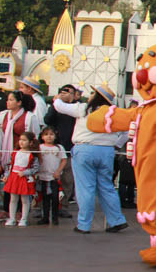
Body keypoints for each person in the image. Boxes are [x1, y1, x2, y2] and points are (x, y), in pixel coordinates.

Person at [53, 85, 129, 234]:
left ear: (97, 96)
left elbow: (59, 107)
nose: (90, 95)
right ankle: (116, 220)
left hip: (85, 149)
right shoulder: (115, 113)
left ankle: (84, 224)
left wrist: (59, 98)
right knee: (107, 187)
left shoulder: (83, 109)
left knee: (85, 188)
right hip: (106, 150)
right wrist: (116, 144)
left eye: (93, 92)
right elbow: (126, 132)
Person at [0, 90, 40, 221]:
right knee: (8, 180)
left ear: (19, 103)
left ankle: (21, 211)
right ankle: (6, 209)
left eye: (11, 100)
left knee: (22, 181)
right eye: (8, 100)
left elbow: (35, 135)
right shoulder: (3, 115)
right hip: (7, 151)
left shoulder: (29, 117)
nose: (8, 102)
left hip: (23, 153)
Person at [45, 85, 78, 215]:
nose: (64, 94)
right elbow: (47, 120)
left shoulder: (77, 107)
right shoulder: (55, 106)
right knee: (48, 177)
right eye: (62, 92)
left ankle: (63, 206)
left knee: (67, 179)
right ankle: (45, 206)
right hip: (55, 147)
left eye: (68, 92)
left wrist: (70, 102)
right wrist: (55, 104)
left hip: (71, 147)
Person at [3, 132, 40, 226]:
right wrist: (6, 175)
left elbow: (36, 168)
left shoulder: (32, 154)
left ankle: (24, 219)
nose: (21, 142)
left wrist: (25, 172)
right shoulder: (15, 152)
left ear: (31, 142)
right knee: (13, 199)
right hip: (14, 177)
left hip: (24, 178)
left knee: (25, 200)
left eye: (24, 140)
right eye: (20, 140)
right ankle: (12, 218)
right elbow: (9, 165)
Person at [37, 126, 67, 225]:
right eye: (46, 134)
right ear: (42, 137)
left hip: (54, 177)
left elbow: (64, 160)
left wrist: (58, 171)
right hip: (43, 177)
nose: (49, 137)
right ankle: (45, 217)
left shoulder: (59, 148)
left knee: (55, 198)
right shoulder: (40, 147)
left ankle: (55, 217)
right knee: (45, 198)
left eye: (51, 134)